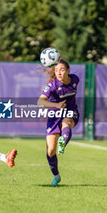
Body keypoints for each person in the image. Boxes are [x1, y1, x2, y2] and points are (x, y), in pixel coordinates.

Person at [37, 59, 79, 187]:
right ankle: (56, 176)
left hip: (70, 112)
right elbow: (40, 102)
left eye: (61, 70)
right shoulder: (52, 86)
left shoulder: (75, 79)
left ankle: (63, 143)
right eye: (56, 70)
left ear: (68, 71)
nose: (59, 73)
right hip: (54, 116)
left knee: (67, 123)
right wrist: (56, 104)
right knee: (50, 151)